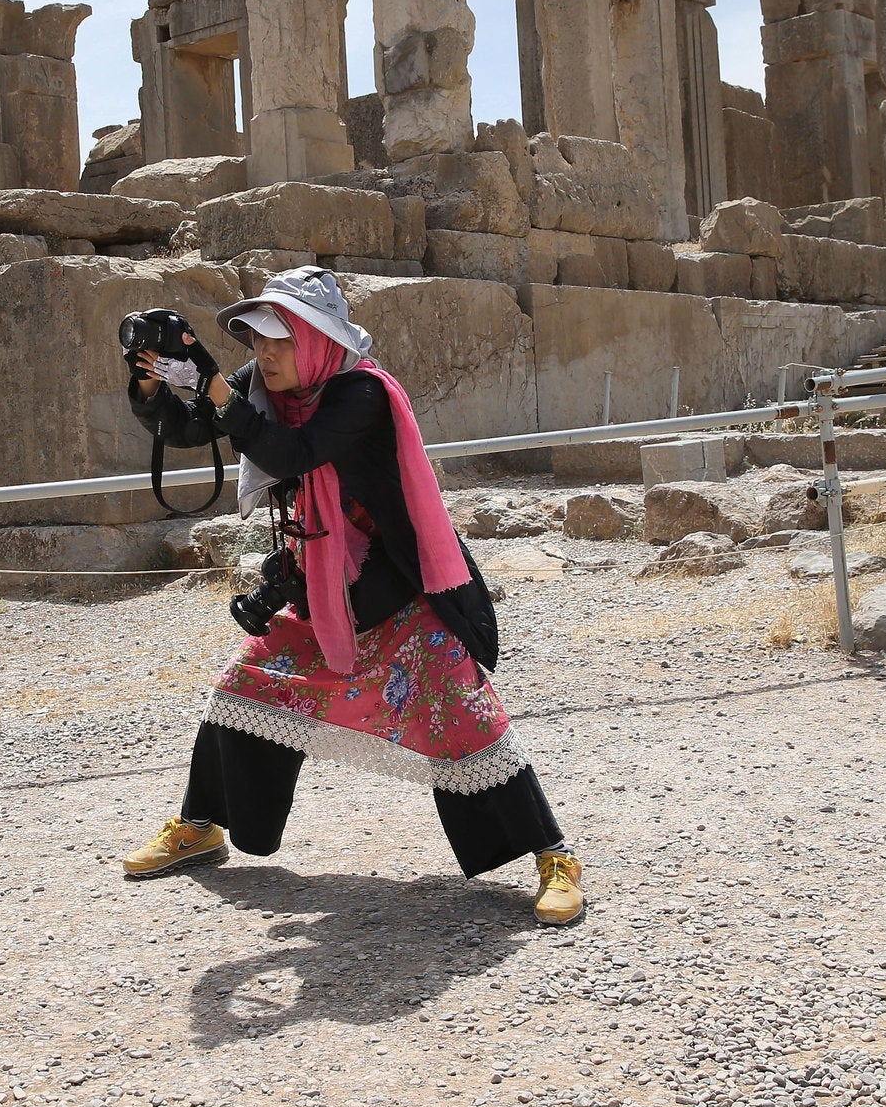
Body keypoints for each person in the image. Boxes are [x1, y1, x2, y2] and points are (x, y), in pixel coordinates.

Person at [118, 267, 585, 925]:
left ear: (316, 340)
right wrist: (154, 374)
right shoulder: (263, 389)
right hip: (321, 586)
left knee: (466, 720)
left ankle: (554, 855)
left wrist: (219, 386)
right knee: (244, 686)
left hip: (400, 588)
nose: (266, 355)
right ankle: (201, 825)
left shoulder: (359, 394)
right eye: (257, 342)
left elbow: (293, 452)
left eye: (281, 340)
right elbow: (193, 427)